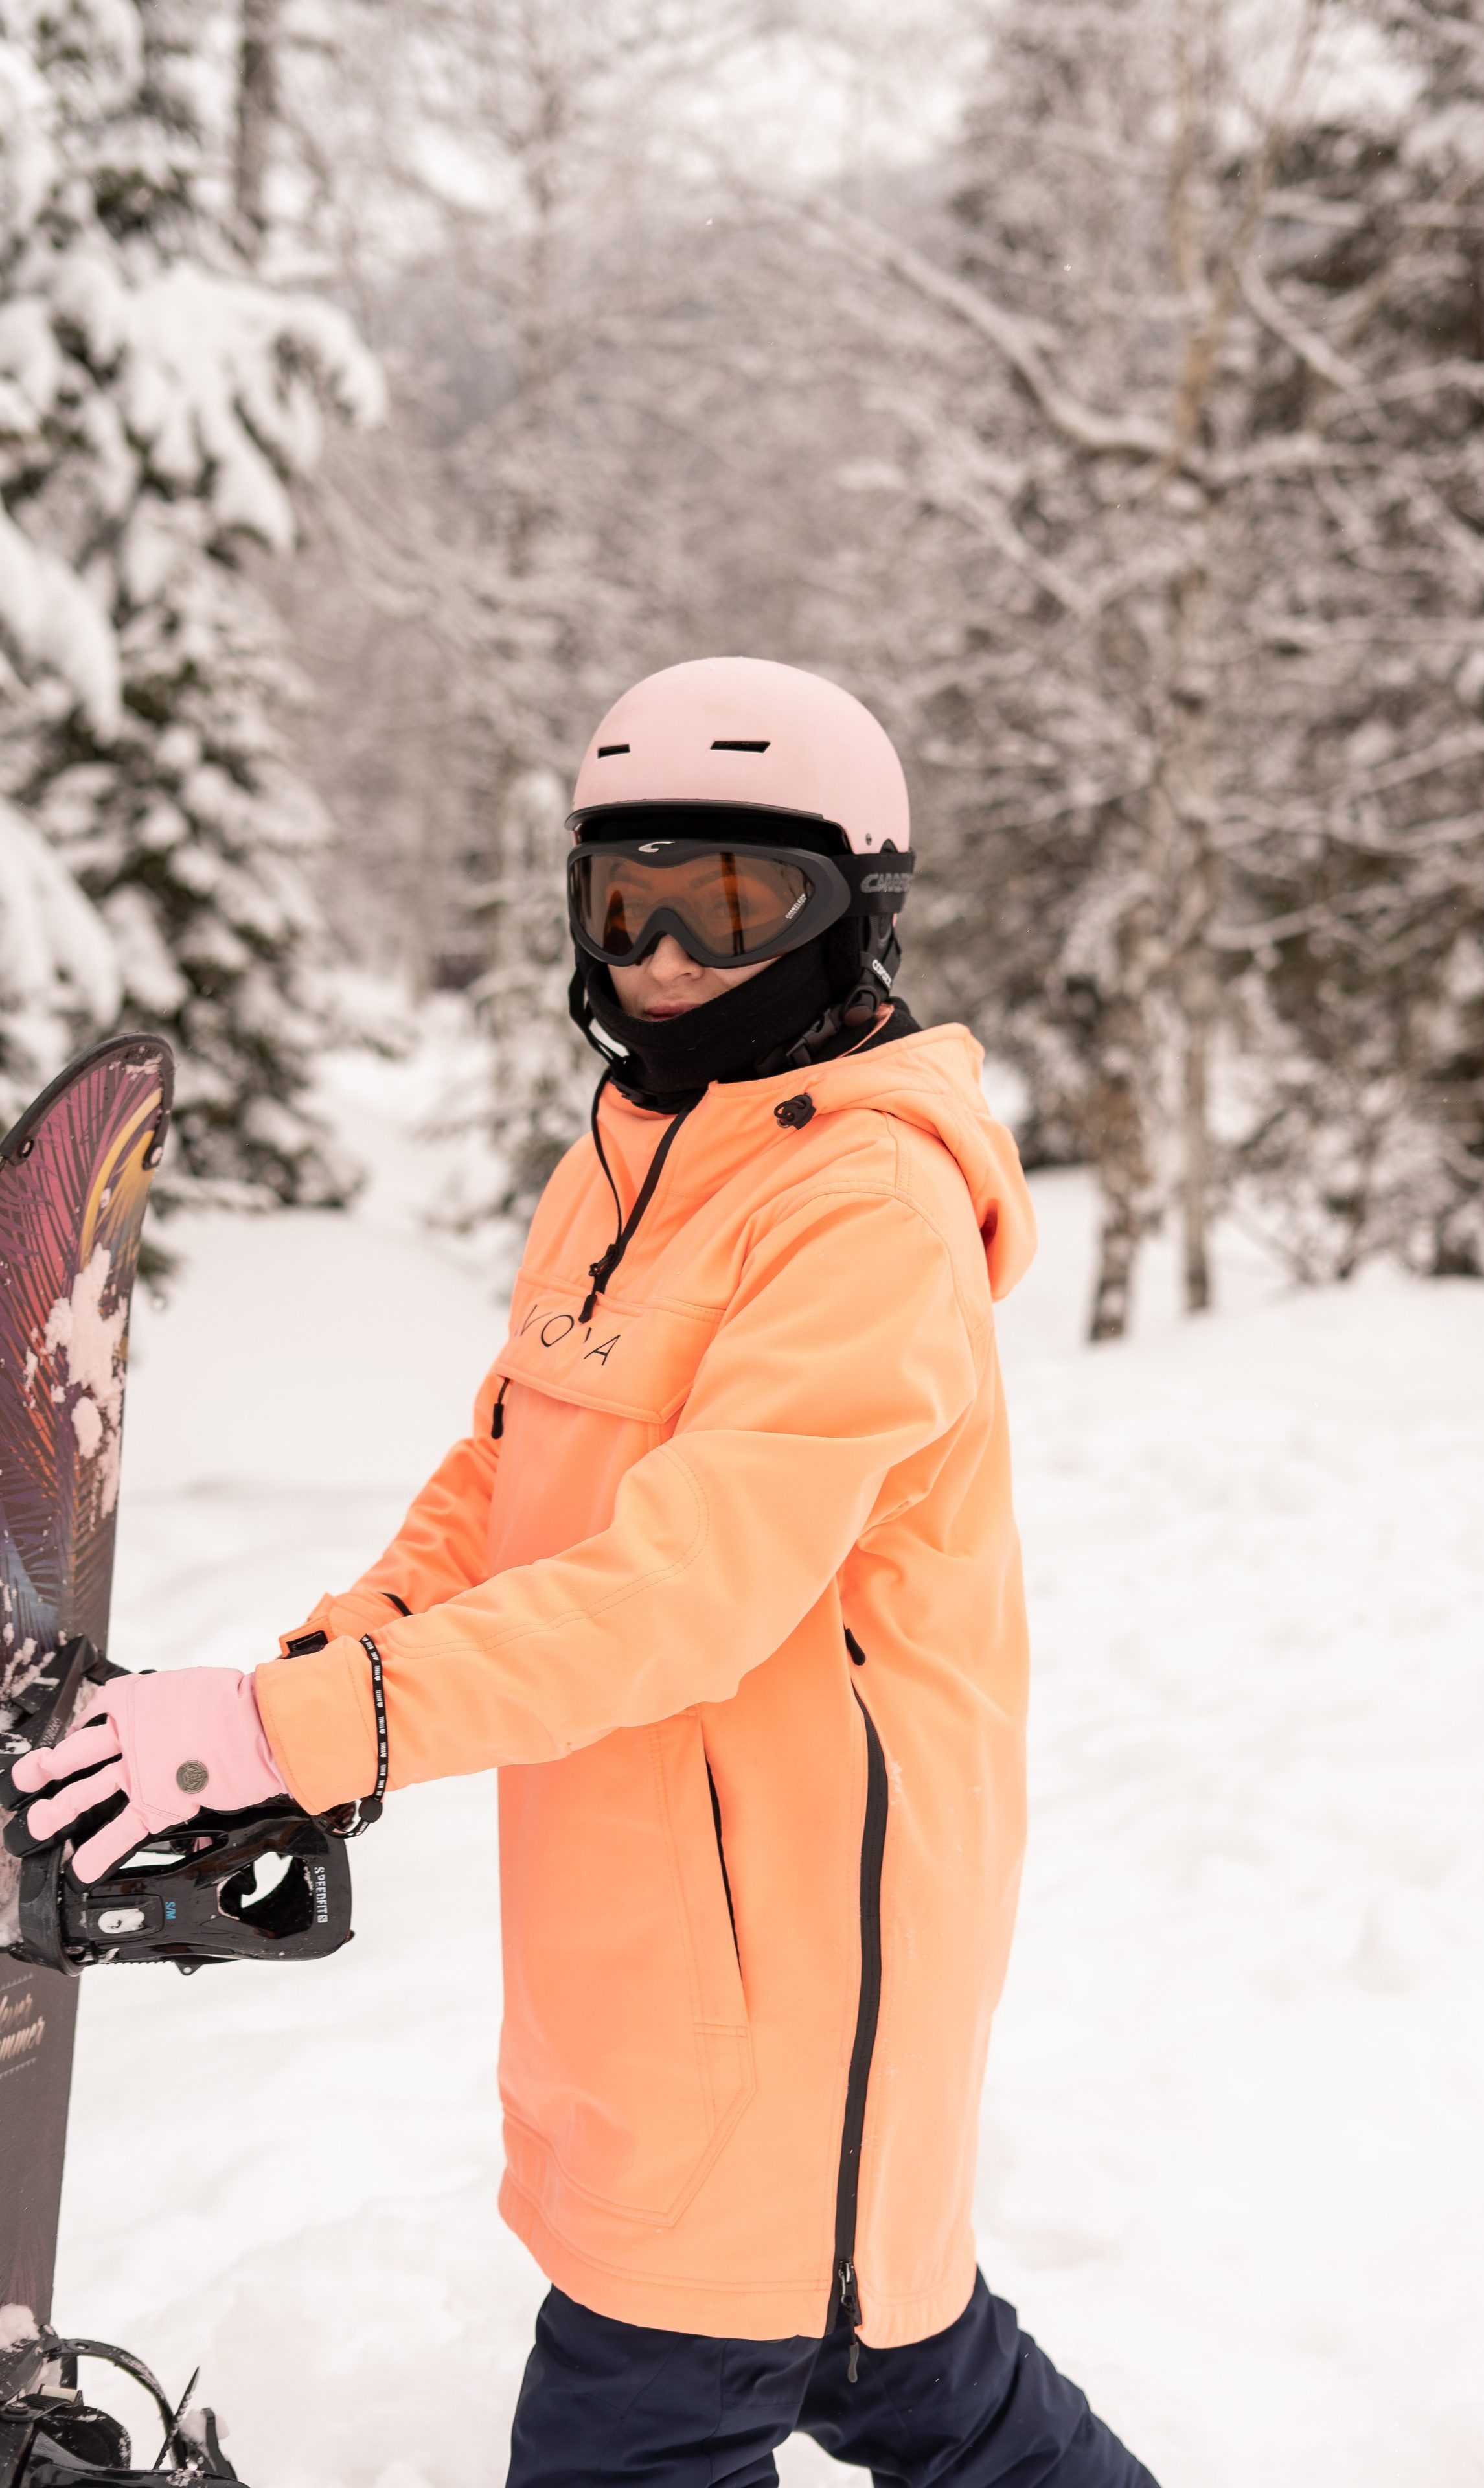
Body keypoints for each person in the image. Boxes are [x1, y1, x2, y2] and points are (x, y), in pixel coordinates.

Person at [14, 660, 1159, 2488]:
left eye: (733, 905)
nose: (671, 965)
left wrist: (301, 1732)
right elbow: (499, 1490)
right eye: (630, 905)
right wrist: (306, 1687)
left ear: (855, 914)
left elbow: (679, 1592)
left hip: (796, 1976)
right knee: (904, 2368)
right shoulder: (632, 1162)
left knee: (693, 2380)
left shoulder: (865, 1210)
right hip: (653, 1948)